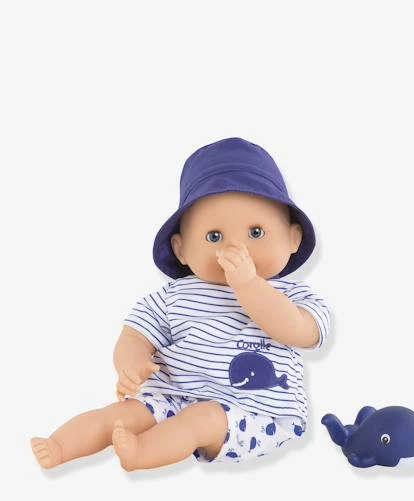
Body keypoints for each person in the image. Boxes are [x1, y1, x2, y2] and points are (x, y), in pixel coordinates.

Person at [31, 137, 330, 471]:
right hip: (172, 395)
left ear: (292, 238)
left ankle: (141, 454)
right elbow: (135, 334)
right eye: (214, 236)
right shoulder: (173, 296)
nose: (236, 247)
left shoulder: (294, 296)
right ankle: (59, 447)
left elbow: (300, 332)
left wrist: (249, 285)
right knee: (121, 415)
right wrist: (131, 363)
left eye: (256, 232)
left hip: (254, 412)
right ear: (181, 249)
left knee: (202, 419)